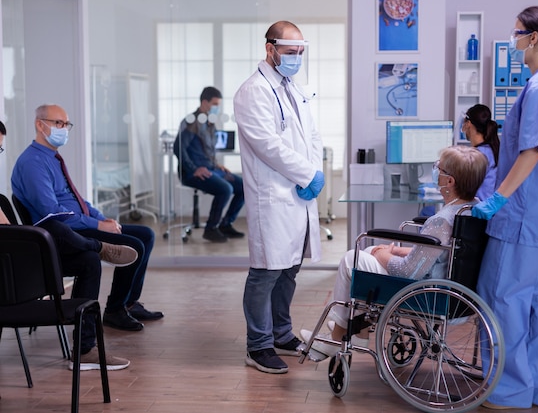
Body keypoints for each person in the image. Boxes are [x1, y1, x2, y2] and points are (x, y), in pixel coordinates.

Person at [471, 6, 538, 410]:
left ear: (533, 38)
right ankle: (532, 388)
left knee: (502, 301)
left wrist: (499, 198)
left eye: (516, 33)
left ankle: (507, 391)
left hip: (521, 218)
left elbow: (532, 150)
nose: (513, 39)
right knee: (536, 306)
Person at [300, 145, 487, 358]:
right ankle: (358, 331)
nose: (436, 170)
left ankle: (336, 338)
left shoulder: (440, 221)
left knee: (351, 258)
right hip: (454, 292)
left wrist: (383, 255)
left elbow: (408, 272)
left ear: (450, 181)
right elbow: (445, 252)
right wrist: (396, 252)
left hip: (427, 294)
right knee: (370, 250)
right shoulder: (473, 209)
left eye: (439, 168)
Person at [11, 104, 164, 334]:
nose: (64, 129)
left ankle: (129, 302)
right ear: (39, 124)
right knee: (134, 245)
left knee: (146, 234)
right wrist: (97, 225)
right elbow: (53, 212)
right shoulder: (33, 162)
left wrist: (103, 218)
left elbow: (75, 198)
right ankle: (115, 310)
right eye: (58, 123)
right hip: (63, 231)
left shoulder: (52, 157)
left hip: (77, 222)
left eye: (66, 124)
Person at [0, 119, 137, 371]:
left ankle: (84, 350)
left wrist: (97, 218)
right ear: (41, 125)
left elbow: (8, 233)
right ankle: (98, 246)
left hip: (18, 260)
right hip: (10, 275)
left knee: (87, 261)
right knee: (53, 227)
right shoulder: (32, 163)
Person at [234, 20, 325, 374]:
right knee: (265, 272)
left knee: (289, 269)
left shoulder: (291, 88)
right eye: (290, 52)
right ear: (270, 49)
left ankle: (282, 334)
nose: (296, 58)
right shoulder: (253, 91)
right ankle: (258, 345)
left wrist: (314, 171)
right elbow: (267, 145)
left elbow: (312, 136)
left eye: (300, 52)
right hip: (272, 197)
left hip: (298, 196)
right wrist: (307, 174)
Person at [173, 86, 245, 242]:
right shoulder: (192, 122)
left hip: (211, 169)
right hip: (192, 173)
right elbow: (178, 148)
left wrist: (217, 164)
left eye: (218, 105)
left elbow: (207, 149)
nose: (217, 108)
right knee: (225, 189)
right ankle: (211, 229)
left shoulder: (209, 122)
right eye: (215, 104)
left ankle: (226, 224)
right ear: (204, 102)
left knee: (243, 187)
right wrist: (193, 169)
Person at [462, 104, 499, 200]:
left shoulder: (478, 156)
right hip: (491, 209)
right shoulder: (492, 150)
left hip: (479, 210)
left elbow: (464, 189)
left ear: (468, 124)